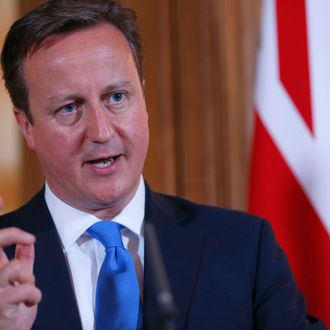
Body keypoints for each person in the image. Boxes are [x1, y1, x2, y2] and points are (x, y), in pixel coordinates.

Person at [0, 0, 325, 329]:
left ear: (142, 96)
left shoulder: (242, 250)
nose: (100, 131)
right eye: (69, 108)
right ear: (27, 126)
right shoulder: (3, 266)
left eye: (116, 97)